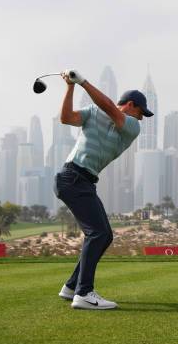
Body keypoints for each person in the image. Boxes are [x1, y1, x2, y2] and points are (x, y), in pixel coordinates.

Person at [55, 69, 153, 310]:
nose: (140, 120)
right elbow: (66, 118)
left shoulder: (131, 127)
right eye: (140, 114)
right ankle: (84, 293)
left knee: (104, 234)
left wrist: (83, 83)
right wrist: (71, 87)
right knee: (97, 233)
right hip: (72, 177)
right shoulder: (93, 113)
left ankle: (71, 286)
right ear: (131, 105)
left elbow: (110, 108)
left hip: (84, 181)